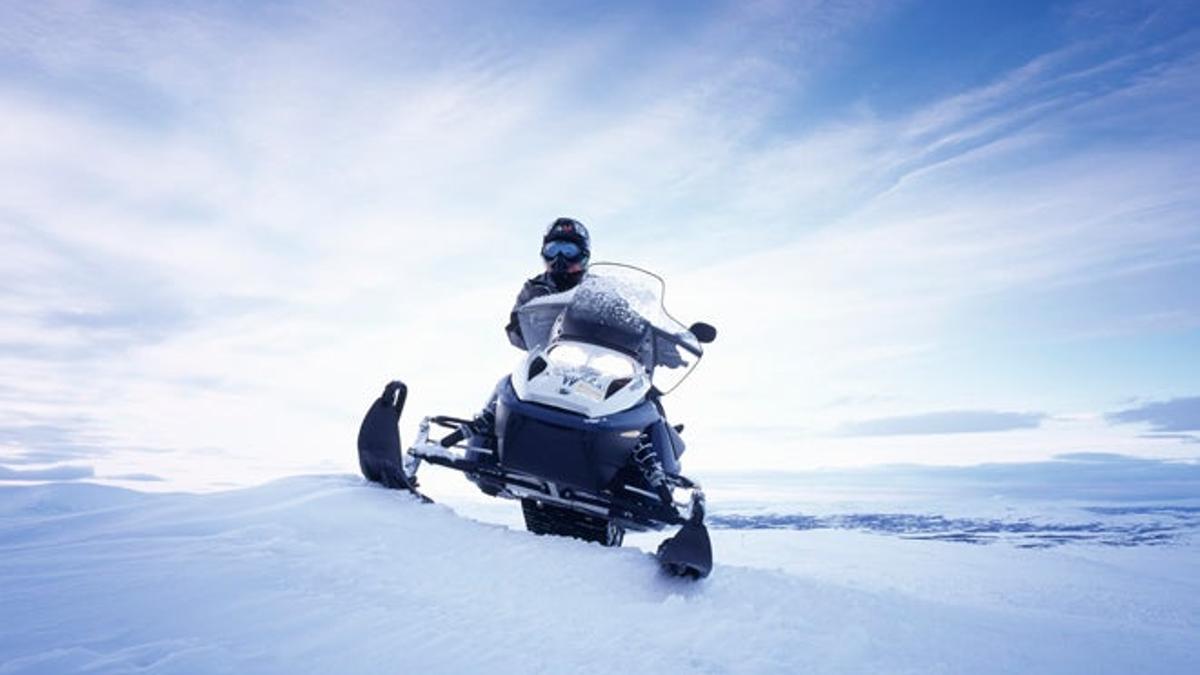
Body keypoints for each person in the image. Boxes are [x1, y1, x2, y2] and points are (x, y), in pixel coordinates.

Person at [504, 217, 591, 350]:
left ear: (583, 255)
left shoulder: (596, 288)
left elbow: (620, 321)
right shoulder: (533, 289)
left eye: (569, 251)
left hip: (589, 353)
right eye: (552, 250)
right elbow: (514, 329)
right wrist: (533, 330)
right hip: (546, 355)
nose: (559, 258)